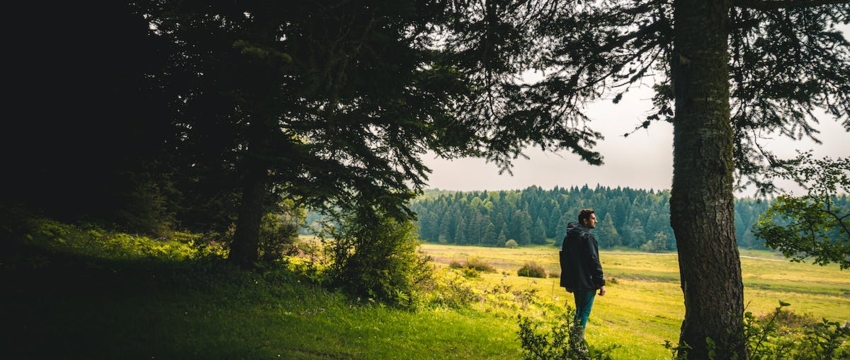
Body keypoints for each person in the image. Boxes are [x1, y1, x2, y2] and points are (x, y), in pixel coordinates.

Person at [559, 208, 606, 347]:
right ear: (585, 221)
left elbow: (564, 260)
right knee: (584, 312)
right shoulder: (587, 237)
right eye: (593, 218)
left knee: (579, 311)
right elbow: (593, 260)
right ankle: (577, 346)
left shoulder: (569, 237)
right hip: (587, 282)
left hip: (575, 282)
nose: (596, 221)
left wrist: (568, 282)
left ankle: (574, 342)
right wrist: (601, 282)